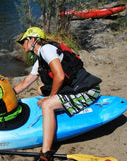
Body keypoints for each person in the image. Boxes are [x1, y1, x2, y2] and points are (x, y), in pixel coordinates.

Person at [14, 27, 102, 161]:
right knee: (40, 89)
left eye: (23, 42)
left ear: (32, 40)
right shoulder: (40, 60)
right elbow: (25, 83)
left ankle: (46, 153)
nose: (22, 45)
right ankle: (57, 107)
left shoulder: (46, 49)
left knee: (47, 105)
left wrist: (50, 98)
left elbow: (60, 76)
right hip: (74, 87)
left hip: (87, 90)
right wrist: (7, 94)